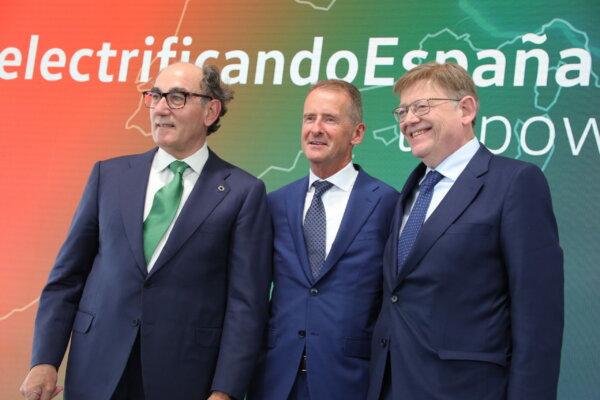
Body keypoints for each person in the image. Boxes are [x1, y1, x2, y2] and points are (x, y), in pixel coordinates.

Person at [19, 62, 272, 400]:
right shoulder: (108, 176)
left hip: (183, 377)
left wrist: (225, 390)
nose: (161, 108)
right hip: (96, 368)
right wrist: (44, 360)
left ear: (210, 111)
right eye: (155, 96)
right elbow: (68, 277)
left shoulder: (243, 192)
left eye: (177, 97)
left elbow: (246, 305)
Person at [367, 61, 564, 400]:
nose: (408, 119)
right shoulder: (409, 192)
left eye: (421, 106)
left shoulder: (515, 183)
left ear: (466, 109)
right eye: (402, 111)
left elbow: (538, 320)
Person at [247, 80, 399, 400]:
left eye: (329, 119)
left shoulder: (387, 203)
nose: (315, 129)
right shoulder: (276, 203)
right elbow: (251, 296)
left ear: (357, 133)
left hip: (350, 382)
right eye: (309, 118)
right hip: (276, 381)